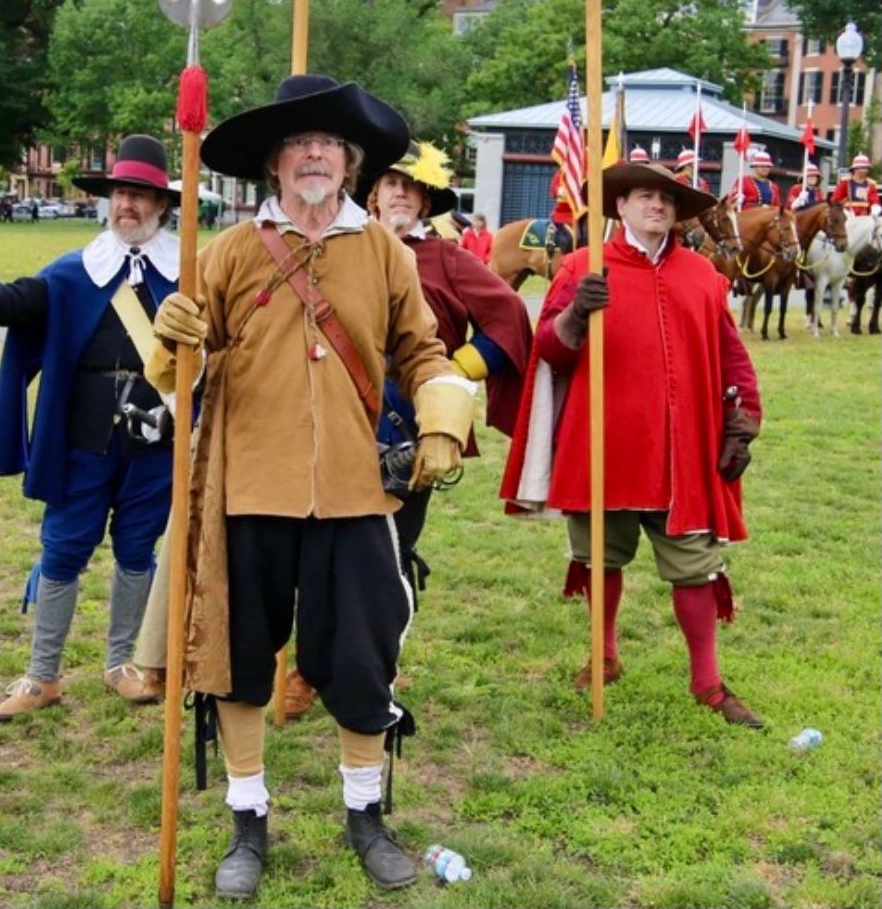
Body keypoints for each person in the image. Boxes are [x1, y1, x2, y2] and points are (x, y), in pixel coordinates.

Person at [139, 75, 475, 899]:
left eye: (328, 142)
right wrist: (171, 335)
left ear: (351, 162)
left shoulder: (384, 252)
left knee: (361, 658)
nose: (313, 154)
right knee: (237, 659)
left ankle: (366, 813)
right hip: (246, 485)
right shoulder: (227, 251)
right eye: (297, 144)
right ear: (274, 165)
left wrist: (440, 421)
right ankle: (246, 819)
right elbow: (176, 371)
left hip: (356, 490)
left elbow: (423, 351)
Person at [0, 135, 183, 720]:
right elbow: (15, 302)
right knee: (62, 551)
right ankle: (42, 677)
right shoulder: (75, 270)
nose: (127, 206)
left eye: (139, 195)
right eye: (119, 194)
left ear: (162, 206)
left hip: (156, 446)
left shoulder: (191, 275)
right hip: (82, 443)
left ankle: (122, 664)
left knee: (138, 552)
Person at [501, 162, 765, 728]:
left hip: (682, 449)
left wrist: (743, 423)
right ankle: (604, 656)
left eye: (667, 199)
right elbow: (549, 350)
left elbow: (733, 357)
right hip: (603, 443)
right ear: (619, 207)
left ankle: (708, 683)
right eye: (645, 196)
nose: (657, 206)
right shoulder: (580, 266)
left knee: (695, 565)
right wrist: (576, 312)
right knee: (600, 556)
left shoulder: (703, 275)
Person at [284, 141, 531, 719]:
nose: (400, 193)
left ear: (425, 202)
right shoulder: (334, 247)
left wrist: (451, 374)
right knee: (314, 548)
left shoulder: (444, 259)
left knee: (386, 556)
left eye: (412, 187)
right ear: (372, 191)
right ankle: (309, 668)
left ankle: (372, 670)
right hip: (326, 412)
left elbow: (510, 318)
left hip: (407, 424)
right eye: (391, 182)